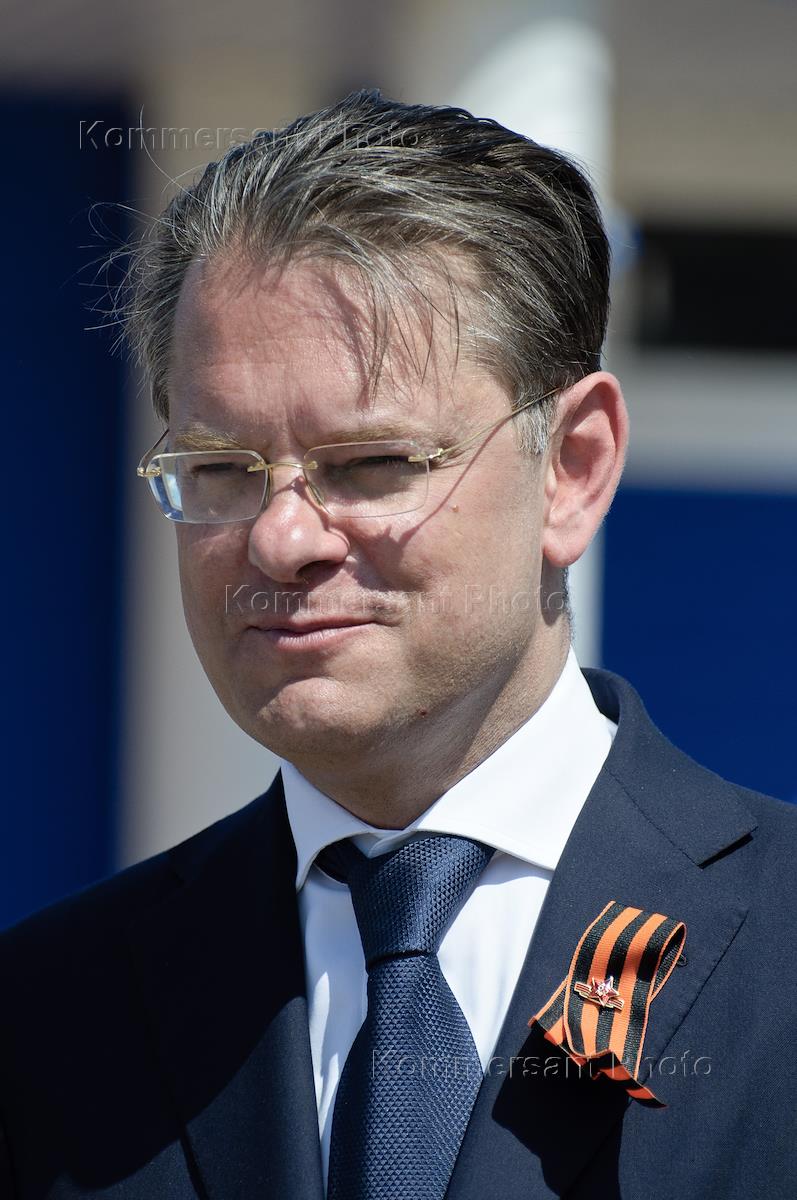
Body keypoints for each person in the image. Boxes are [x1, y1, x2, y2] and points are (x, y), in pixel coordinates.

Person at [0, 89, 795, 1200]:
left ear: (572, 469)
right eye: (220, 468)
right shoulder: (45, 1017)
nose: (281, 540)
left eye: (371, 464)